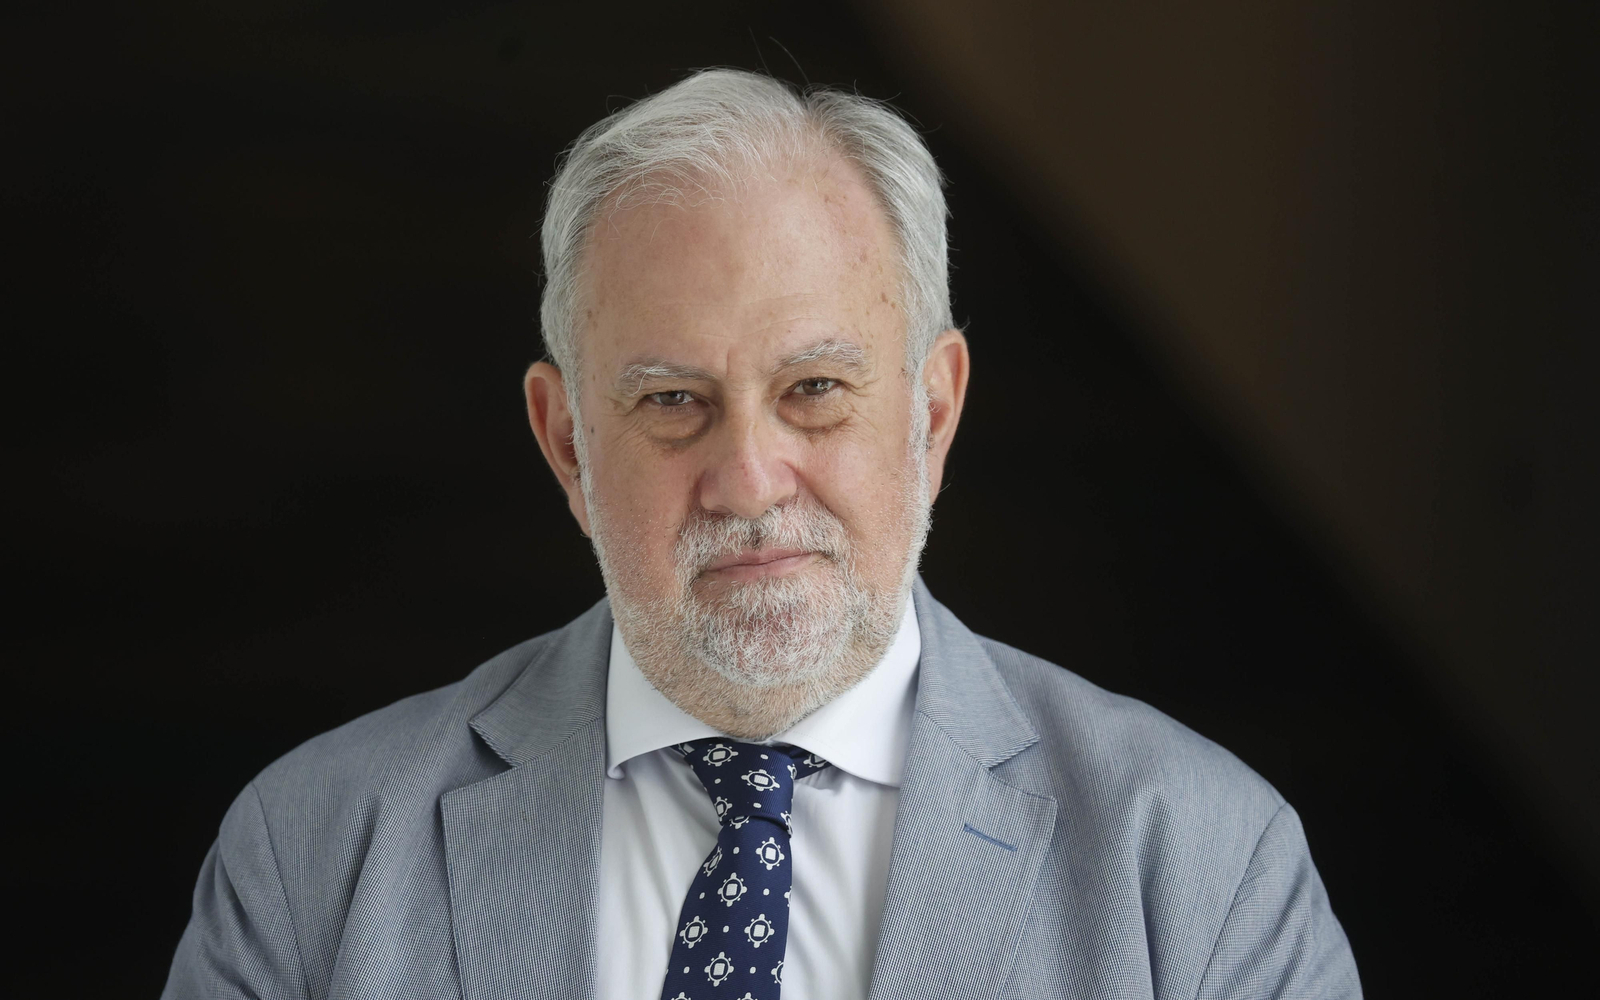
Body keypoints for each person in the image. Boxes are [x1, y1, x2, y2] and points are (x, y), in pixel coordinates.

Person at [164, 68, 1361, 999]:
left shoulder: (1205, 869)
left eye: (815, 390)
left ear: (931, 414)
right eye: (671, 400)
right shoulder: (309, 856)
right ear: (568, 443)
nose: (746, 479)